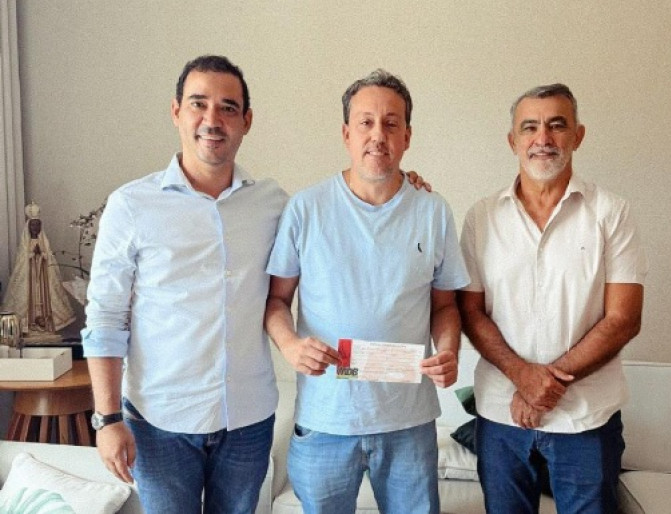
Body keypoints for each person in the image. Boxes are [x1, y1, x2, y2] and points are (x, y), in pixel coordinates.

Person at [81, 55, 288, 514]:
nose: (212, 119)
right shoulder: (131, 205)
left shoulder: (273, 204)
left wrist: (400, 186)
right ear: (176, 112)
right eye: (199, 103)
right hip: (159, 423)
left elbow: (329, 241)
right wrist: (107, 419)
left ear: (247, 121)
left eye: (228, 108)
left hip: (248, 420)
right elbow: (106, 317)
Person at [265, 69, 470, 514]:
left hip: (408, 422)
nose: (379, 135)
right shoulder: (306, 208)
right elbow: (276, 300)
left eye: (391, 123)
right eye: (366, 122)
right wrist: (290, 345)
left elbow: (445, 306)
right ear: (346, 133)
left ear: (407, 136)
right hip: (325, 420)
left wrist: (449, 350)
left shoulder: (433, 211)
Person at [458, 83, 648, 514]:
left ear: (577, 135)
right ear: (512, 141)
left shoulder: (611, 212)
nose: (542, 138)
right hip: (501, 419)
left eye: (556, 125)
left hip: (586, 420)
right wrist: (521, 376)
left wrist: (542, 385)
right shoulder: (481, 217)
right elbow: (470, 311)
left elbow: (623, 319)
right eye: (529, 127)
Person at [2, 201, 75, 337]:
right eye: (33, 225)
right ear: (28, 226)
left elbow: (49, 257)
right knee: (28, 298)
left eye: (37, 224)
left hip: (43, 278)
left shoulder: (44, 242)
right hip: (29, 278)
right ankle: (29, 326)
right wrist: (31, 254)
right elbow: (21, 260)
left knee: (46, 298)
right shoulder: (25, 243)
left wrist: (41, 253)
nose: (35, 227)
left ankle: (47, 325)